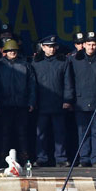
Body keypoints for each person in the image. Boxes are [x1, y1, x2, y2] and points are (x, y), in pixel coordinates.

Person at [0, 39, 36, 164]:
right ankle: (2, 158)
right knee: (4, 133)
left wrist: (31, 102)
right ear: (5, 52)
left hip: (21, 104)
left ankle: (25, 158)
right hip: (4, 105)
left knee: (22, 133)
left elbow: (32, 85)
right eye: (9, 51)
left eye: (14, 50)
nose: (12, 53)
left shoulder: (25, 64)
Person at [70, 31, 96, 167]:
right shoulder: (75, 59)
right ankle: (84, 158)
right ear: (84, 45)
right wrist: (70, 100)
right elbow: (69, 81)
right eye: (89, 44)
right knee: (82, 132)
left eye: (94, 44)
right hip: (80, 101)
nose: (91, 47)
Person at [30, 35, 74, 167]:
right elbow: (32, 85)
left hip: (58, 102)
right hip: (41, 103)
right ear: (42, 47)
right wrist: (32, 102)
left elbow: (68, 82)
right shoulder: (36, 62)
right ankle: (41, 157)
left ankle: (60, 157)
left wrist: (67, 99)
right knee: (41, 133)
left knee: (60, 132)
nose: (51, 49)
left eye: (53, 46)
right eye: (48, 46)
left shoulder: (63, 61)